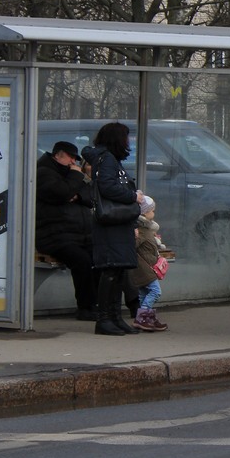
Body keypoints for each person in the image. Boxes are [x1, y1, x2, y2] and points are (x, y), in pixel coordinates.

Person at [82, 121, 145, 336]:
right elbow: (107, 186)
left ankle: (115, 317)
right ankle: (105, 319)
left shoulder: (108, 158)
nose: (128, 142)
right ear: (117, 138)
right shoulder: (107, 159)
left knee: (117, 271)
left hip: (116, 224)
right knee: (110, 270)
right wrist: (132, 196)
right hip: (110, 225)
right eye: (126, 138)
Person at [35, 140, 98, 320]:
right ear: (59, 154)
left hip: (79, 235)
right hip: (55, 236)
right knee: (82, 261)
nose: (73, 163)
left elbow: (90, 195)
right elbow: (61, 192)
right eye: (71, 158)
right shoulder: (44, 172)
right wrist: (75, 180)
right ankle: (85, 307)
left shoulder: (69, 174)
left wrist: (76, 194)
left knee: (101, 257)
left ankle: (97, 303)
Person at [128, 195, 168, 332]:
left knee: (144, 294)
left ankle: (148, 318)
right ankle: (142, 317)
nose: (154, 213)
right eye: (152, 210)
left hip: (143, 267)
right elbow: (134, 245)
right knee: (156, 292)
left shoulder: (146, 229)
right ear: (144, 212)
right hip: (144, 268)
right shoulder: (142, 230)